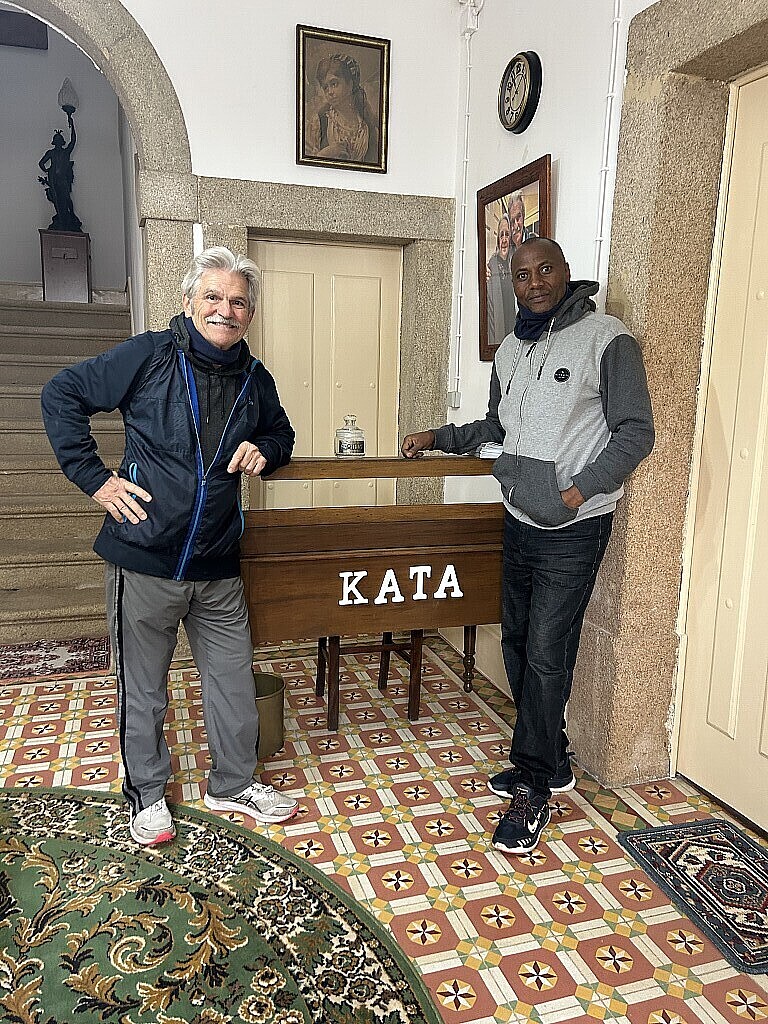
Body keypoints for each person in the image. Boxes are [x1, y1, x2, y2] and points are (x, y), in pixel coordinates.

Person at [401, 238, 654, 854]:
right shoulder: (513, 348)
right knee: (516, 642)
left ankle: (534, 784)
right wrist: (438, 436)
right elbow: (499, 426)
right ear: (511, 284)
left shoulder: (608, 339)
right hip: (518, 519)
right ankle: (553, 758)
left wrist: (577, 492)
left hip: (573, 527)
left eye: (546, 270)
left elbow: (635, 432)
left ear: (566, 273)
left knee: (546, 653)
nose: (535, 282)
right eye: (522, 275)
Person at [41, 246, 300, 846]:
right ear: (189, 302)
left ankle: (234, 783)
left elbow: (280, 432)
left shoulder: (254, 378)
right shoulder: (150, 355)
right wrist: (97, 480)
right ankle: (148, 793)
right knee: (144, 689)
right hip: (145, 559)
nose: (225, 310)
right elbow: (61, 394)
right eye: (213, 297)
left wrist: (266, 450)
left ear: (250, 314)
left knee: (233, 682)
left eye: (238, 302)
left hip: (218, 565)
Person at [305, 53, 379, 163]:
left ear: (350, 84)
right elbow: (305, 162)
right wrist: (325, 154)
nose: (330, 92)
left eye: (334, 84)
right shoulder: (319, 122)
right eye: (325, 87)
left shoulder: (367, 127)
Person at [38, 109, 82, 232]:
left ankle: (71, 215)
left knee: (67, 198)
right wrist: (47, 170)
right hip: (54, 180)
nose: (58, 143)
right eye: (56, 141)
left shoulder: (66, 152)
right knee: (57, 199)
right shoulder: (51, 153)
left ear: (61, 142)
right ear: (54, 142)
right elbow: (41, 163)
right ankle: (61, 218)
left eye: (59, 141)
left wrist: (72, 124)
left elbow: (73, 141)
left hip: (63, 179)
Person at [486, 214, 516, 348]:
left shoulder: (516, 261)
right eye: (501, 235)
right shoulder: (491, 264)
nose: (504, 239)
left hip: (514, 321)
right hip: (499, 324)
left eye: (507, 235)